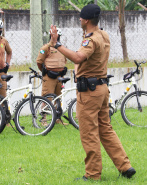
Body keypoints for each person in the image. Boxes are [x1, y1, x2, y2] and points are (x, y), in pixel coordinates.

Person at [49, 4, 136, 181]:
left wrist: (56, 44)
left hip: (89, 92)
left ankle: (93, 174)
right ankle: (125, 166)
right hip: (101, 89)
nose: (79, 19)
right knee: (106, 129)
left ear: (86, 20)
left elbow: (78, 57)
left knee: (89, 133)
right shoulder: (102, 35)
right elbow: (81, 59)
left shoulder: (92, 39)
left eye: (81, 17)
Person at [36, 28, 68, 125]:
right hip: (49, 77)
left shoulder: (61, 48)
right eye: (54, 35)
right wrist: (44, 71)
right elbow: (39, 62)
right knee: (47, 98)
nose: (57, 37)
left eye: (58, 36)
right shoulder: (46, 48)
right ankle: (43, 119)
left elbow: (64, 60)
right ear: (51, 36)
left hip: (59, 77)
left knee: (58, 98)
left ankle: (58, 118)